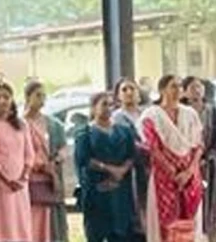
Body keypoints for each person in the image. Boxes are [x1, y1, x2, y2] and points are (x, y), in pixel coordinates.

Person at [140, 75, 203, 242]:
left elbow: (198, 146)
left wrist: (188, 172)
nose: (178, 90)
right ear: (162, 90)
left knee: (189, 224)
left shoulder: (190, 114)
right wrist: (174, 173)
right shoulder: (151, 115)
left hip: (190, 176)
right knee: (166, 226)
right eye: (173, 86)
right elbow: (153, 148)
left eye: (180, 86)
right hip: (164, 177)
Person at [76, 91, 138, 242]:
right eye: (104, 104)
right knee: (97, 232)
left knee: (122, 233)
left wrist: (121, 170)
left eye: (111, 104)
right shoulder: (85, 133)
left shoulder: (124, 131)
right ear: (93, 107)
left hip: (121, 191)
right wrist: (109, 169)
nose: (108, 108)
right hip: (97, 191)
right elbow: (84, 159)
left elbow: (132, 155)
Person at [0, 82, 33, 242]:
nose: (2, 101)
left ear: (12, 99)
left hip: (20, 184)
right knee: (2, 222)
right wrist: (6, 179)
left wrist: (23, 177)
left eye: (6, 97)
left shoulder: (21, 124)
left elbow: (29, 154)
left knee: (20, 223)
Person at [25, 81, 69, 242]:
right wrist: (40, 165)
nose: (41, 99)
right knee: (32, 222)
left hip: (50, 180)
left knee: (51, 222)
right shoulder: (20, 124)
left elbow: (63, 148)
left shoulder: (53, 124)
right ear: (27, 97)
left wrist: (57, 159)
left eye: (44, 96)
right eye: (38, 95)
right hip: (30, 179)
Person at [113, 76, 149, 240]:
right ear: (118, 96)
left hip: (151, 167)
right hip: (129, 169)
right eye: (124, 90)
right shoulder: (116, 118)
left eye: (132, 89)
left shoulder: (147, 114)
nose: (129, 92)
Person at [182, 77, 216, 242]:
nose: (197, 90)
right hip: (185, 165)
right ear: (185, 92)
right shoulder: (180, 111)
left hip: (209, 164)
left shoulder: (212, 111)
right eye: (192, 87)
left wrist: (206, 157)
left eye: (199, 87)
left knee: (209, 203)